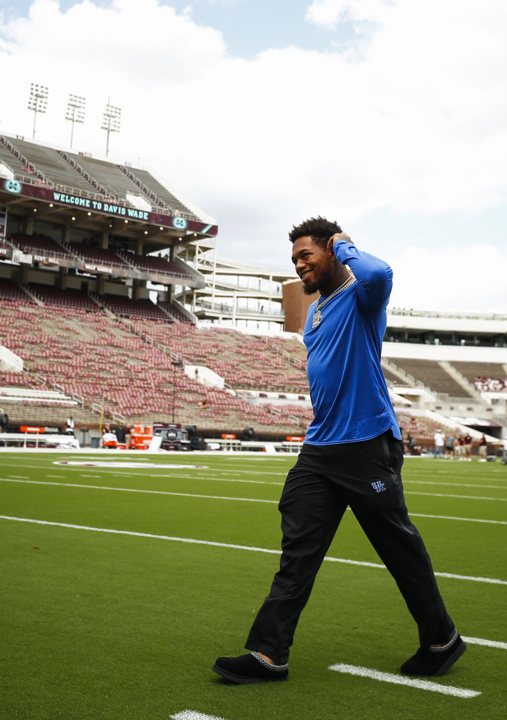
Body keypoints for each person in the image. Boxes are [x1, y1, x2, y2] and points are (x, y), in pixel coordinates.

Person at [213, 218, 463, 685]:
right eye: (294, 260)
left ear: (331, 250)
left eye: (307, 255)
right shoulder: (315, 313)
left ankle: (441, 639)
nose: (300, 265)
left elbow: (379, 274)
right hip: (321, 447)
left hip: (367, 443)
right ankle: (269, 655)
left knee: (397, 548)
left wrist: (346, 246)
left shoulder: (362, 297)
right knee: (298, 551)